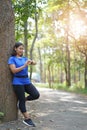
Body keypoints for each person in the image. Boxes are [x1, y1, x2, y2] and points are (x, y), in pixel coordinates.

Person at [8, 42, 40, 127]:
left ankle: (24, 100)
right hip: (17, 81)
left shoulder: (25, 58)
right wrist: (25, 65)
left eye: (22, 49)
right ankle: (27, 119)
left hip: (26, 80)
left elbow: (35, 62)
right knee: (21, 101)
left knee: (36, 94)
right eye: (20, 48)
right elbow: (14, 71)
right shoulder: (12, 59)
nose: (22, 50)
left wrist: (32, 62)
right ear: (15, 48)